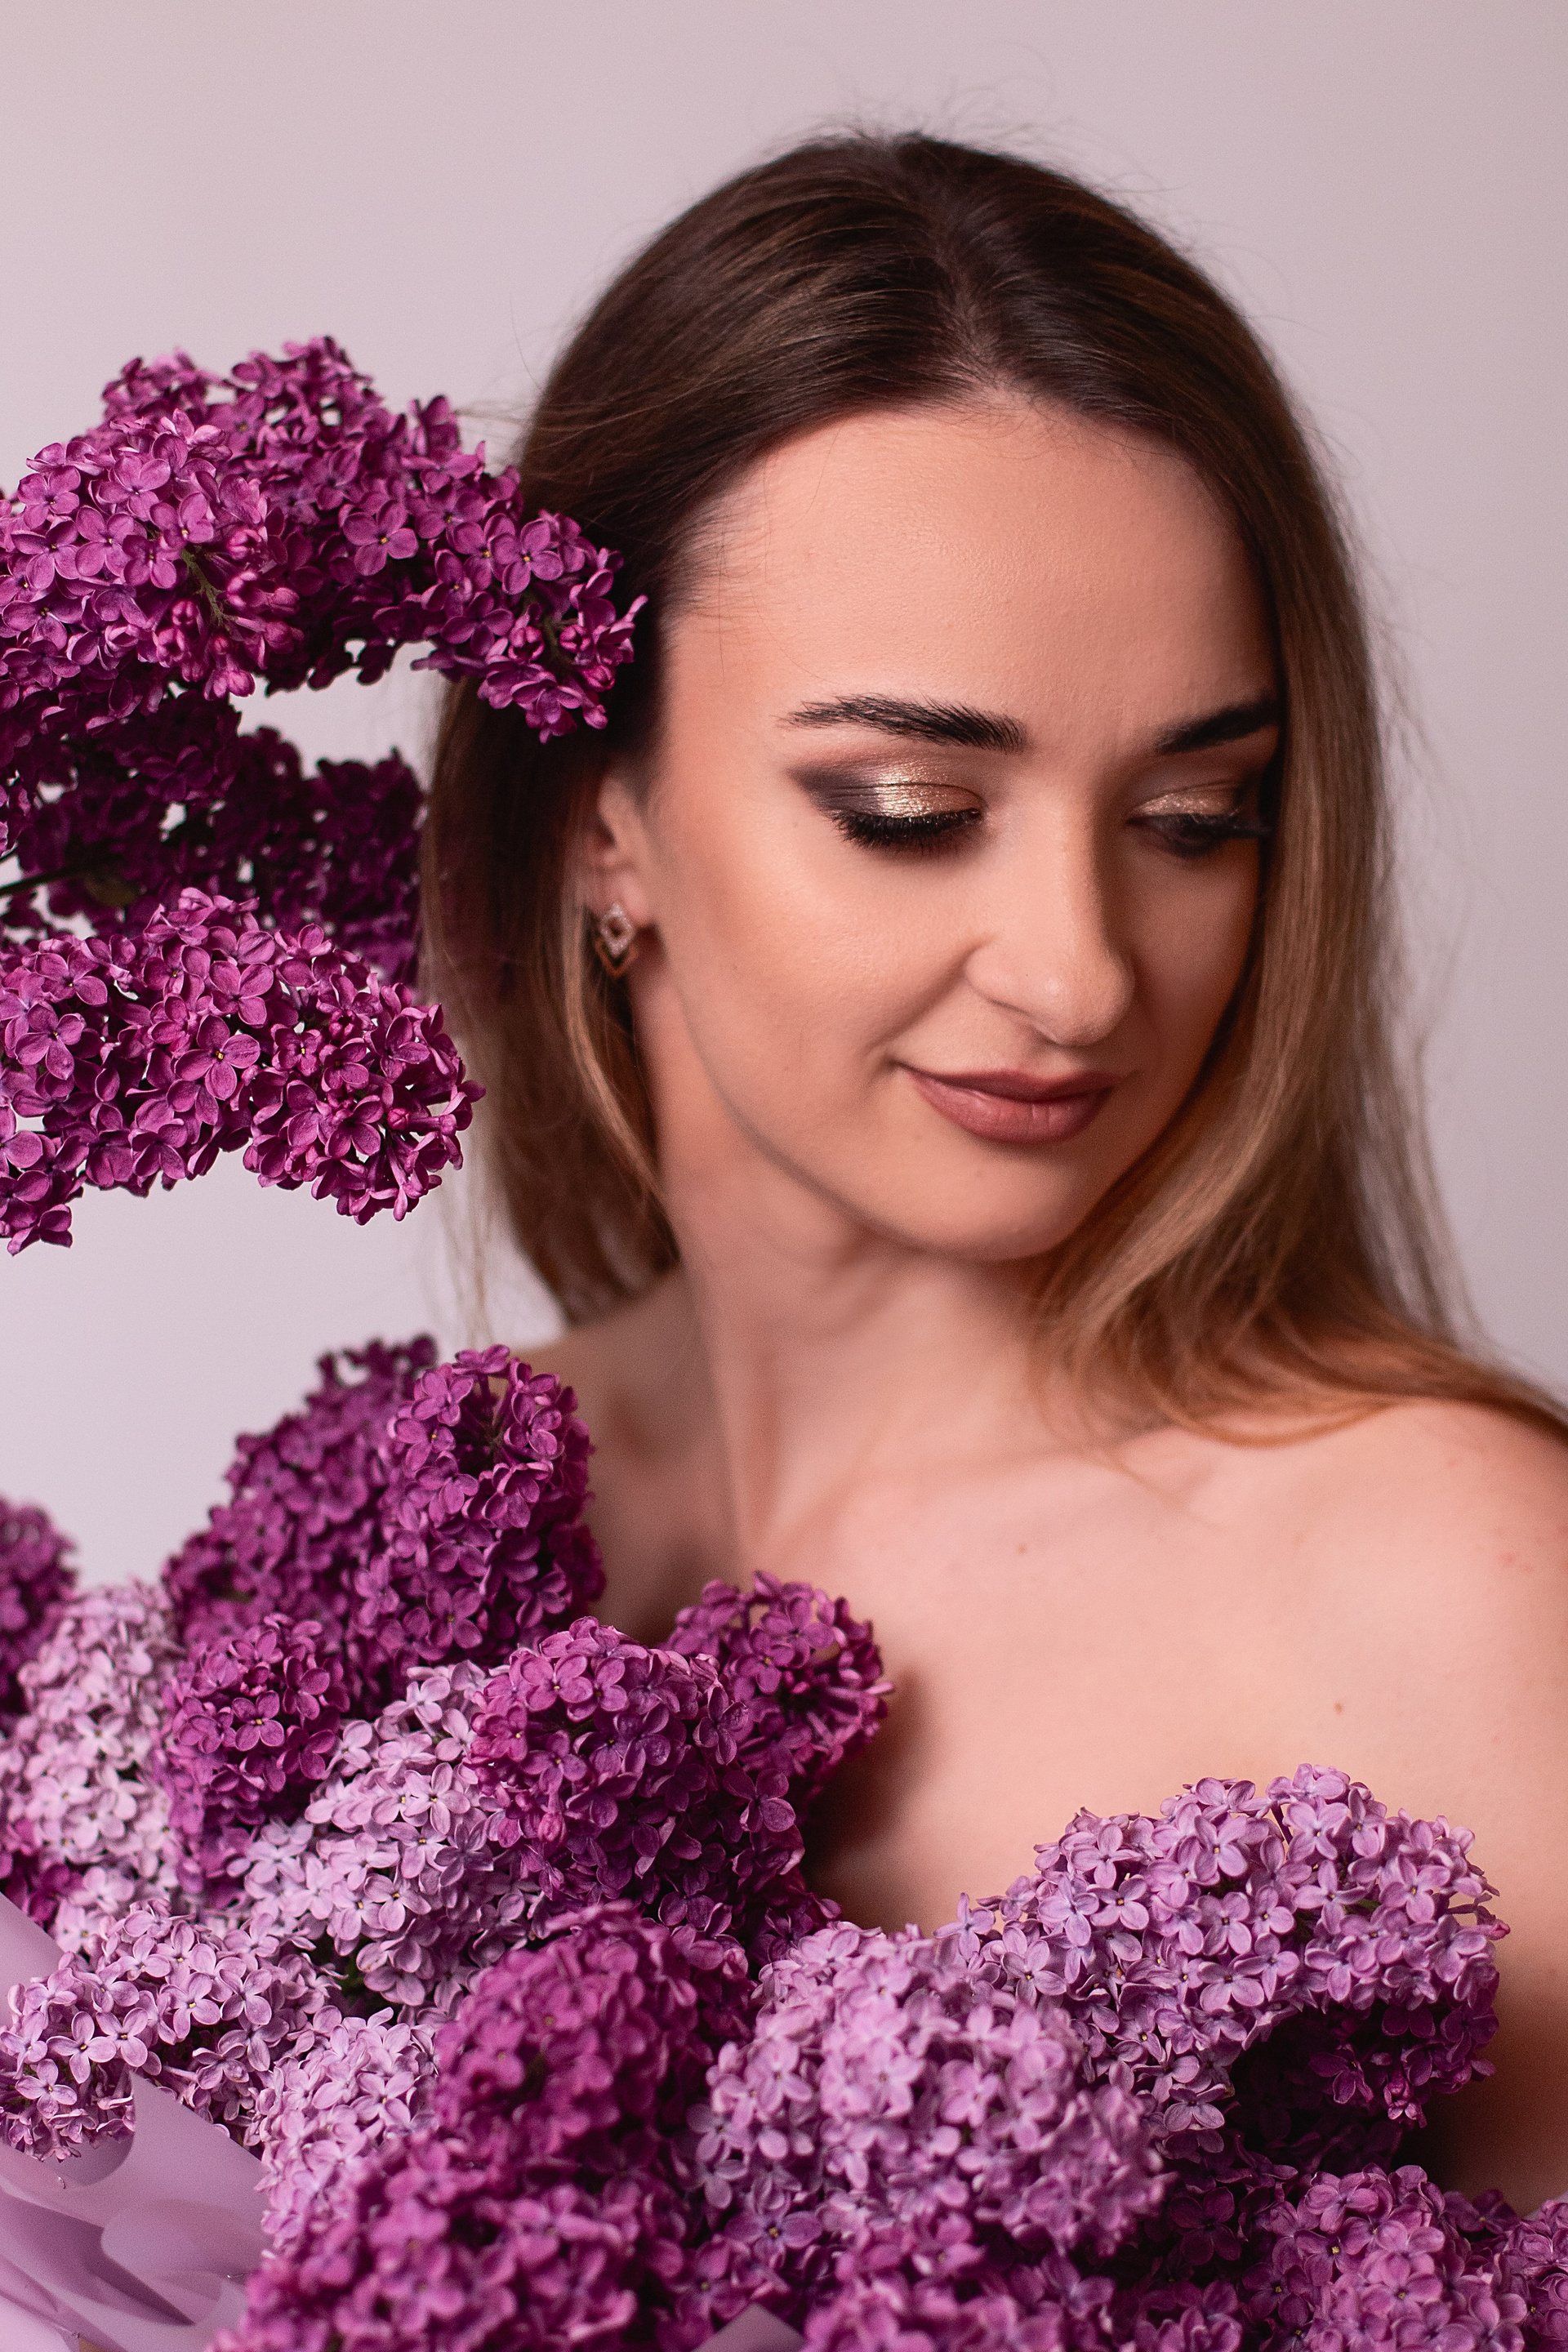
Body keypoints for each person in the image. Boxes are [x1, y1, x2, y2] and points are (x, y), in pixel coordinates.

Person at [425, 132, 1568, 2216]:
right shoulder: (434, 1535)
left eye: (1196, 820)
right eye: (910, 806)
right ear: (599, 816)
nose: (1083, 972)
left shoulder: (1455, 1588)